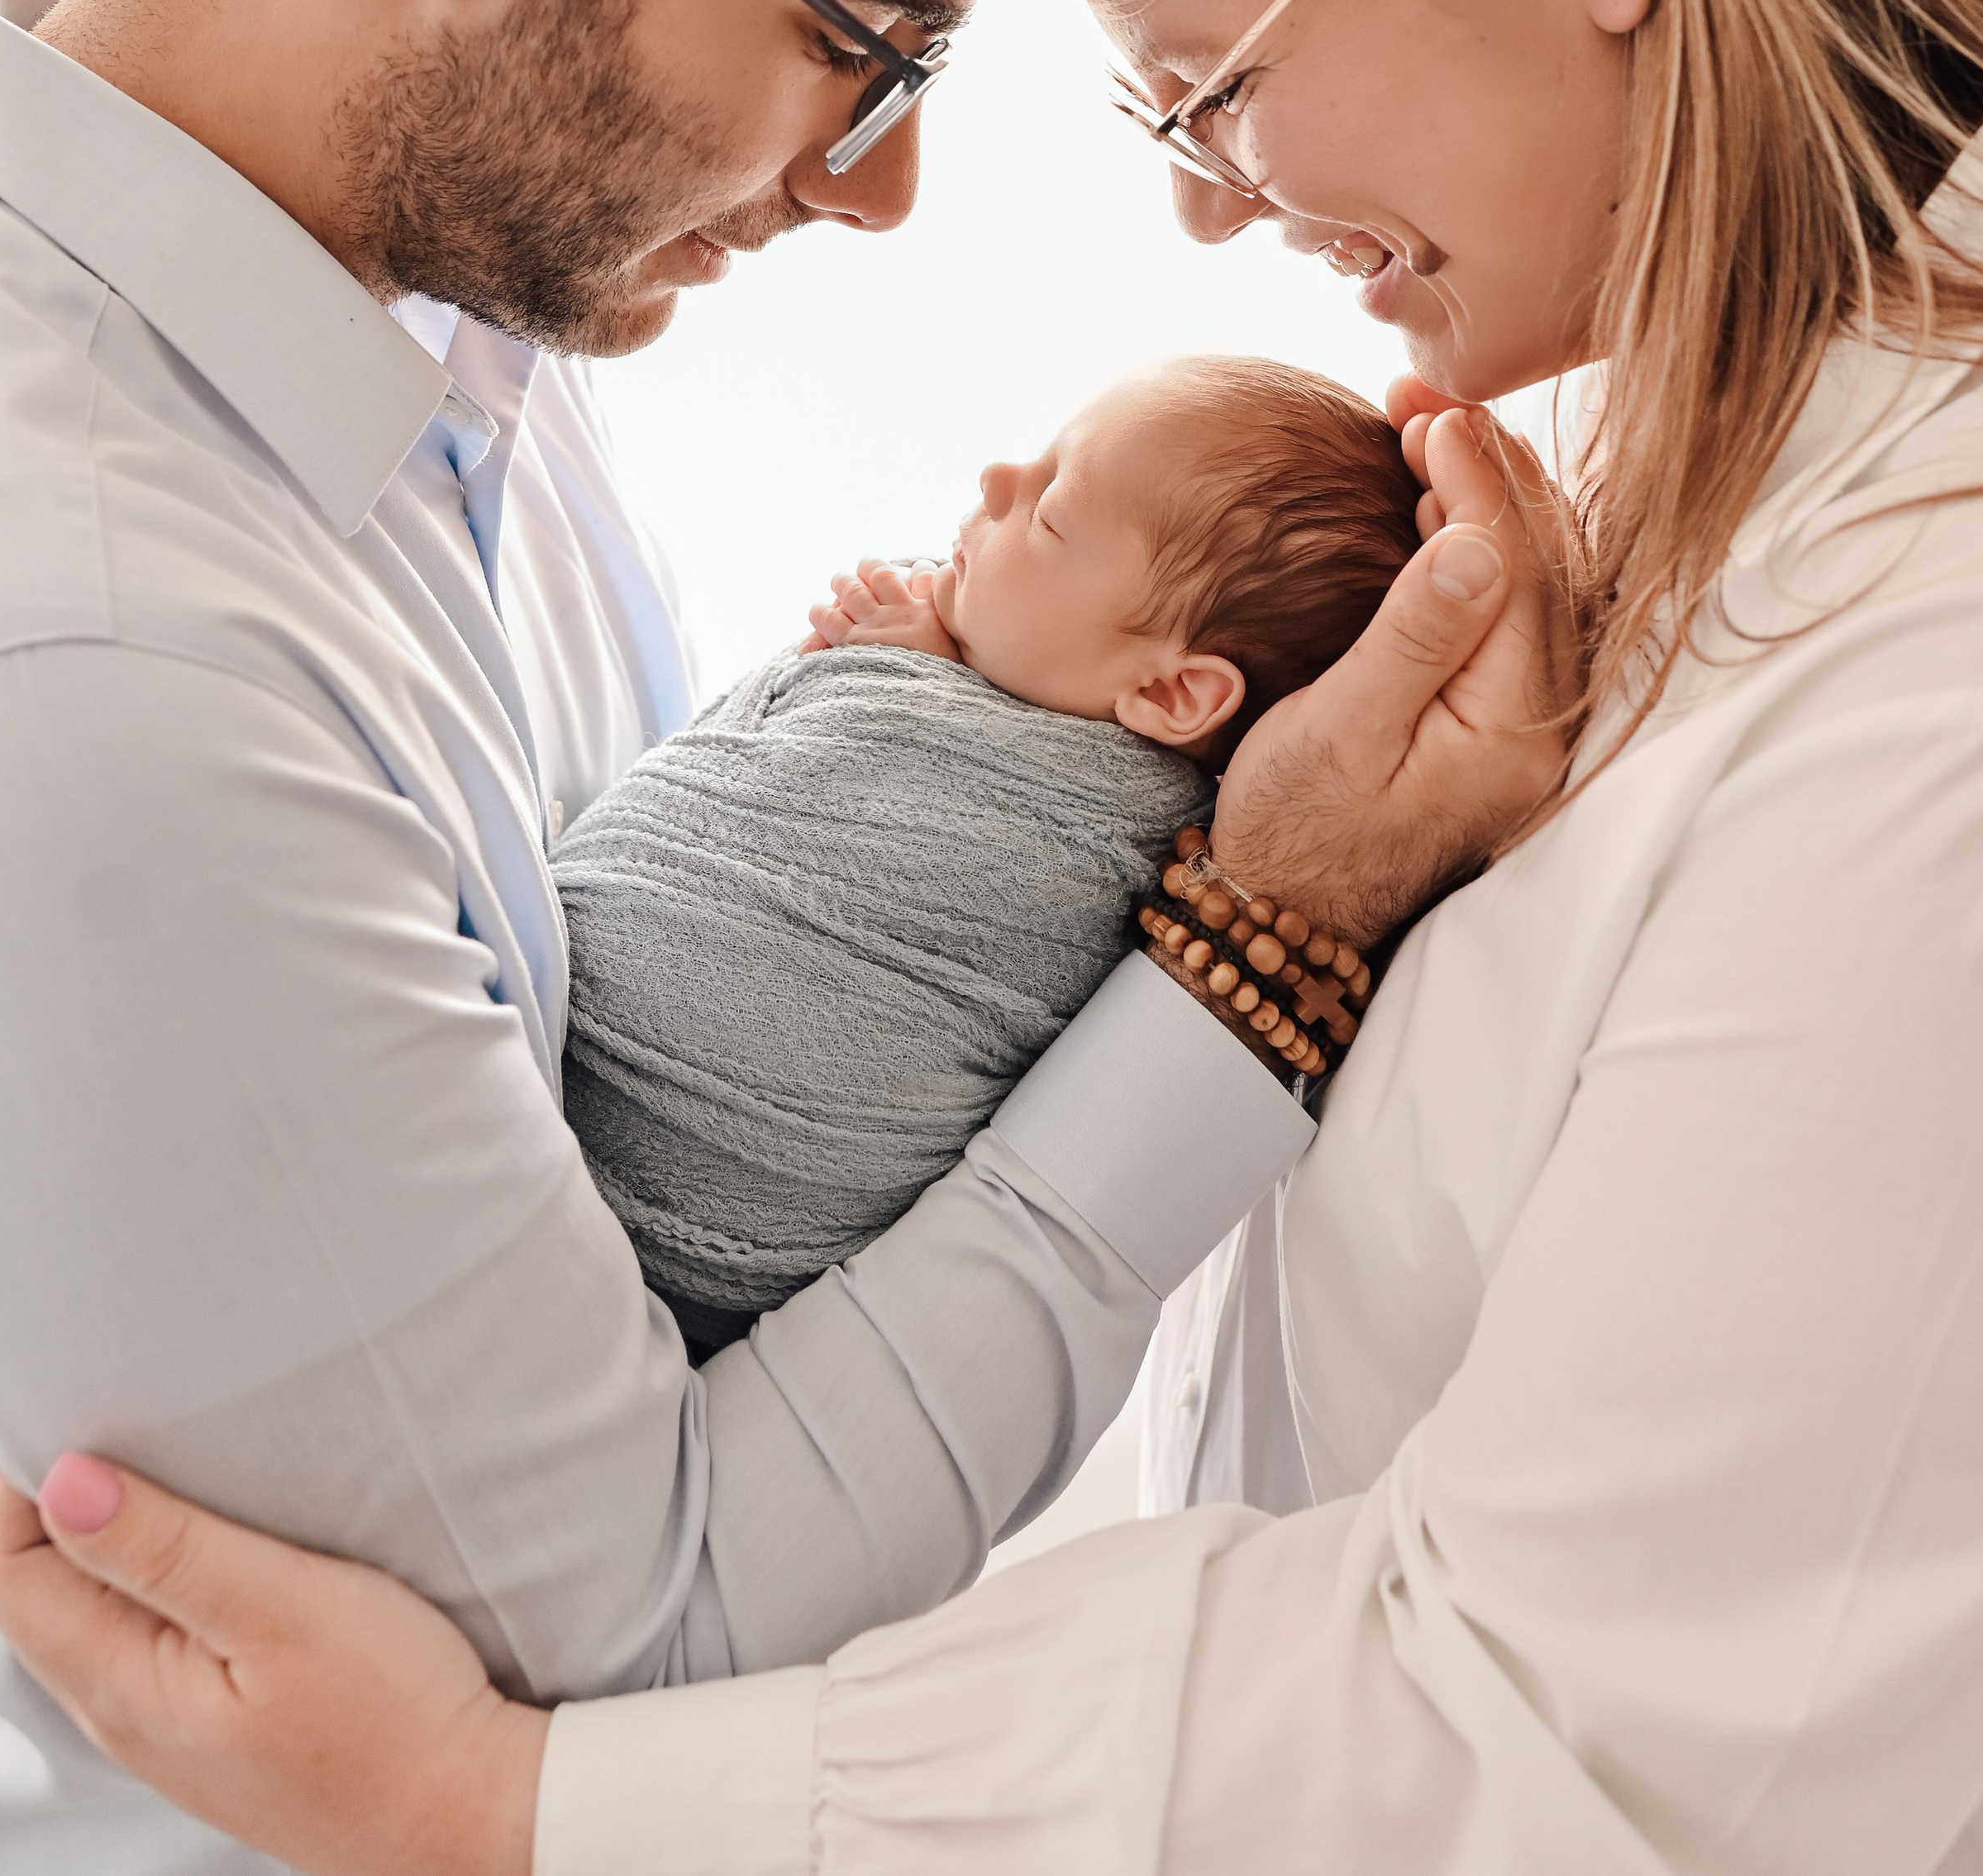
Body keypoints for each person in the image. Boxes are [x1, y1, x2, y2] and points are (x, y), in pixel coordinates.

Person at [0, 0, 1983, 1876]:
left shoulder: (1927, 643)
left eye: (1207, 89)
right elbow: (640, 1562)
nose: (1183, 212)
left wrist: (524, 1807)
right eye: (857, 42)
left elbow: (1586, 1729)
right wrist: (1238, 949)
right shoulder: (85, 636)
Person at [558, 359, 1414, 1350]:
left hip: (703, 1237)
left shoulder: (1109, 844)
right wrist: (917, 661)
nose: (997, 479)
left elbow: (873, 801)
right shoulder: (982, 684)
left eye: (1048, 514)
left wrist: (879, 671)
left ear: (1175, 696)